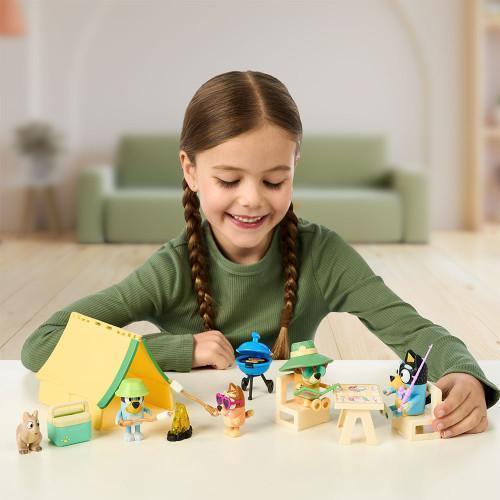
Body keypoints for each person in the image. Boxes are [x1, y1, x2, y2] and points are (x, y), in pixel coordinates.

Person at [21, 70, 498, 439]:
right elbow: (44, 343)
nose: (251, 199)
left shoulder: (323, 255)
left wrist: (463, 373)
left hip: (293, 445)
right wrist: (179, 350)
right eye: (229, 180)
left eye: (274, 181)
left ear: (294, 167)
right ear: (190, 170)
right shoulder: (172, 270)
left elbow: (414, 330)